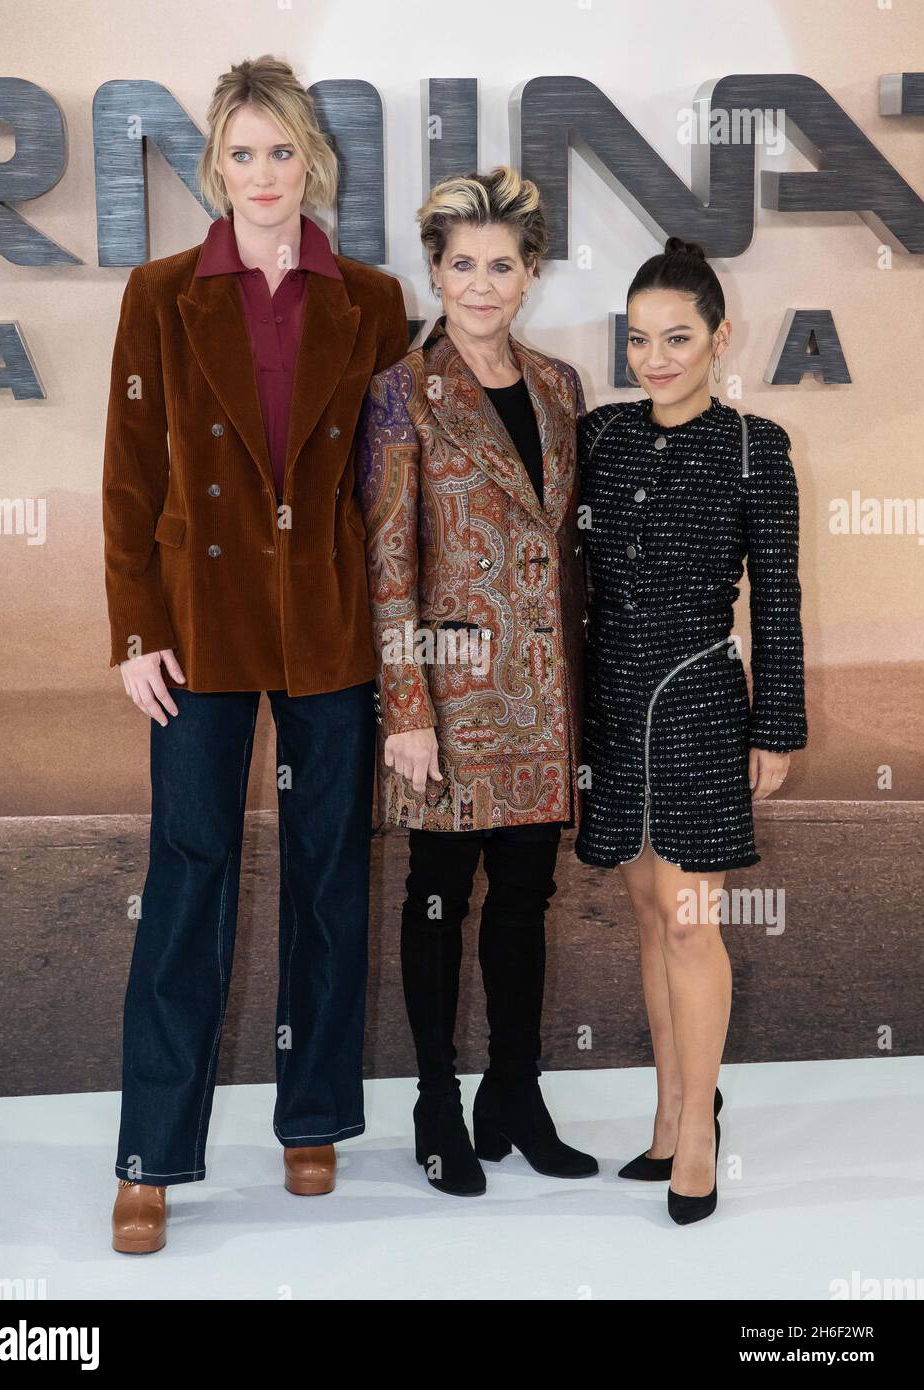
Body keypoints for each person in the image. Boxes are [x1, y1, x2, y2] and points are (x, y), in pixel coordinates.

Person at [102, 54, 408, 1253]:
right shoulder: (161, 292)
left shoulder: (371, 300)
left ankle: (315, 1113)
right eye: (242, 152)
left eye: (282, 151)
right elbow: (130, 478)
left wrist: (401, 645)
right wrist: (137, 630)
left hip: (331, 625)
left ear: (310, 161)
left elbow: (388, 494)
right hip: (199, 629)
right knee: (189, 875)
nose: (264, 173)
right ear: (214, 166)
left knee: (331, 872)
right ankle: (151, 1155)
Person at [355, 167, 598, 1196]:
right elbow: (387, 560)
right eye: (463, 266)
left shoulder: (558, 386)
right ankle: (435, 1103)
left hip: (539, 693)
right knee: (437, 897)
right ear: (437, 272)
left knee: (526, 897)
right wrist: (405, 710)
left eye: (503, 265)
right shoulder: (399, 392)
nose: (484, 285)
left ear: (530, 272)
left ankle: (514, 1090)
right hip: (447, 700)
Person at [575, 236, 808, 1224]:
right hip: (611, 705)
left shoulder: (756, 447)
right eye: (638, 340)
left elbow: (780, 602)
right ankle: (669, 1110)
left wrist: (778, 726)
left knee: (687, 917)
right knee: (642, 905)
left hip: (704, 699)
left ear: (719, 337)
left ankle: (702, 1133)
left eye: (676, 337)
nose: (656, 357)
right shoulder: (597, 435)